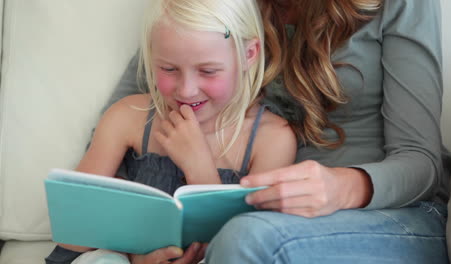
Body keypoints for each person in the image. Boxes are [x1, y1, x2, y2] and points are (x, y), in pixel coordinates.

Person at [50, 0, 451, 262]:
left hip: (387, 216)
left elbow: (421, 163)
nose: (188, 85)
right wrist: (140, 246)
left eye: (208, 71)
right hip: (260, 221)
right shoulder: (204, 12)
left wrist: (343, 187)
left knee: (246, 239)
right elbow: (117, 146)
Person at [44, 0, 297, 263]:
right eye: (169, 69)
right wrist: (135, 257)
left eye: (208, 71)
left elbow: (249, 246)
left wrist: (199, 167)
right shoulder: (128, 117)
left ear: (249, 54)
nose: (186, 90)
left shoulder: (272, 140)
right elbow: (72, 232)